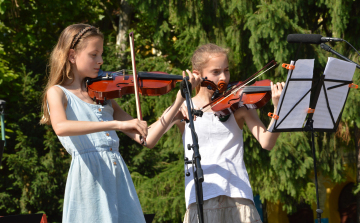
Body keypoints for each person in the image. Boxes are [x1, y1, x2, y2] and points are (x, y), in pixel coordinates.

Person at [40, 23, 201, 223]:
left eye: (101, 54)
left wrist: (178, 102)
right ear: (72, 55)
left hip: (117, 178)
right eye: (94, 55)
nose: (100, 61)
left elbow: (147, 138)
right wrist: (116, 124)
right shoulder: (57, 92)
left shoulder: (103, 97)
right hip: (89, 181)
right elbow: (61, 127)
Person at [160, 43, 285, 223]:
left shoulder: (239, 106)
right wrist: (176, 105)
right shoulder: (185, 108)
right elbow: (150, 136)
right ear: (197, 74)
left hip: (238, 197)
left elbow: (267, 142)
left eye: (226, 70)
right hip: (201, 199)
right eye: (216, 72)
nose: (224, 78)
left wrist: (278, 108)